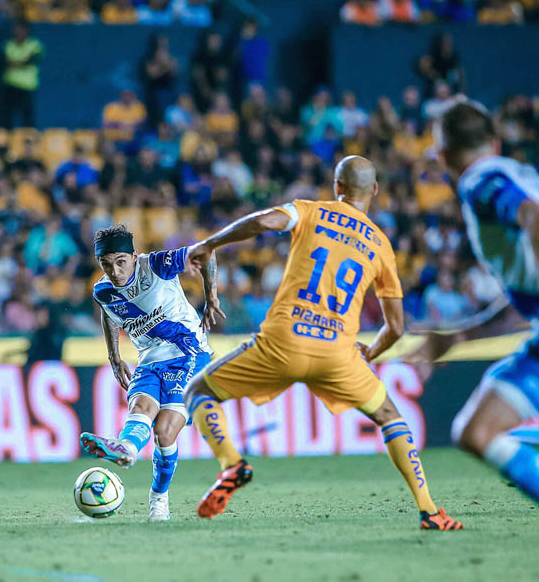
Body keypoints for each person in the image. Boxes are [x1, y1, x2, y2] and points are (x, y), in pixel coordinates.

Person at [181, 156, 463, 531]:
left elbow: (264, 221)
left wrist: (210, 243)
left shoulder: (310, 212)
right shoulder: (380, 245)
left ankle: (232, 463)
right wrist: (370, 353)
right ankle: (430, 511)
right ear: (375, 191)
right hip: (338, 353)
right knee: (390, 417)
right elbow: (396, 326)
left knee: (198, 390)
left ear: (337, 187)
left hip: (282, 342)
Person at [437, 102, 539, 581]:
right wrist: (463, 335)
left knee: (477, 431)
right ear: (493, 141)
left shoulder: (479, 181)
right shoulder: (522, 173)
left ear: (442, 153)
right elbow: (527, 293)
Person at [79, 224, 224, 521]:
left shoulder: (157, 264)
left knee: (164, 432)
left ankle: (159, 497)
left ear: (134, 256)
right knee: (141, 406)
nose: (115, 272)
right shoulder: (102, 290)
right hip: (148, 361)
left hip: (189, 354)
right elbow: (109, 314)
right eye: (106, 265)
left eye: (121, 262)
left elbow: (206, 252)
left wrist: (211, 297)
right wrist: (114, 355)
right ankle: (127, 449)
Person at [1, 20, 43, 128]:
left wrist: (15, 63)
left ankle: (29, 142)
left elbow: (31, 61)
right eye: (15, 28)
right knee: (7, 117)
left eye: (20, 29)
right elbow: (6, 62)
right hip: (10, 86)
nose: (17, 31)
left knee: (28, 118)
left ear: (26, 30)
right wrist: (21, 63)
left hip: (27, 87)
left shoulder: (35, 45)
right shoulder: (8, 44)